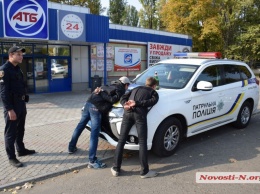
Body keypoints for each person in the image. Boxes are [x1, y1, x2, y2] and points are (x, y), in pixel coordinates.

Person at [68, 76, 130, 169]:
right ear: (126, 85)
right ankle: (92, 161)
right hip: (96, 108)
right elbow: (113, 100)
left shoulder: (109, 85)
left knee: (80, 125)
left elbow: (100, 93)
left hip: (89, 102)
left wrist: (100, 93)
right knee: (94, 134)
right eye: (127, 86)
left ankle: (71, 148)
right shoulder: (120, 89)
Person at [111, 77, 159, 178]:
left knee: (121, 140)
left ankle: (116, 168)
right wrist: (137, 103)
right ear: (154, 86)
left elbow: (123, 97)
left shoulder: (135, 89)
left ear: (146, 83)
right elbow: (152, 101)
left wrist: (125, 104)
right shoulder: (153, 92)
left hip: (127, 113)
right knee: (142, 142)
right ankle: (144, 172)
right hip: (139, 115)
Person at [0, 46, 35, 168]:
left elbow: (20, 85)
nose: (21, 57)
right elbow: (3, 93)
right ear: (11, 55)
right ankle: (12, 157)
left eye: (22, 54)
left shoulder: (17, 69)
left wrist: (25, 96)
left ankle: (21, 149)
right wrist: (9, 109)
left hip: (21, 104)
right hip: (12, 106)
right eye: (19, 54)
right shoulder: (4, 70)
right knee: (11, 132)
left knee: (21, 129)